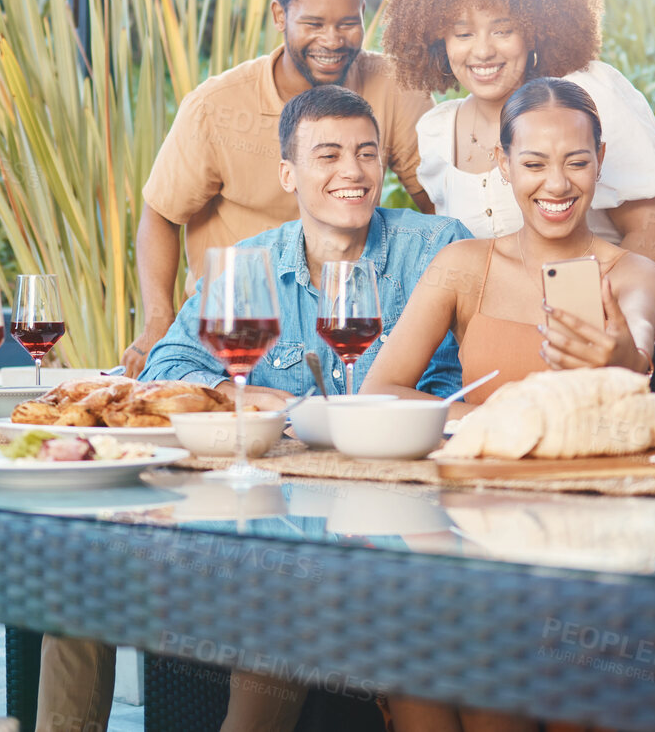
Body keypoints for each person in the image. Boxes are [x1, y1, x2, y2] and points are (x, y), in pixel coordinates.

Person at [42, 85, 466, 732]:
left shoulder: (434, 247)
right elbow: (167, 367)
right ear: (287, 174)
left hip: (395, 524)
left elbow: (466, 385)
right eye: (327, 155)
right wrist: (253, 396)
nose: (351, 171)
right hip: (262, 519)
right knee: (81, 566)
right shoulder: (249, 264)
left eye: (365, 153)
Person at [124, 0, 434, 376]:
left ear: (364, 12)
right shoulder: (216, 107)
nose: (332, 40)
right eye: (313, 23)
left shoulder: (395, 88)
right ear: (278, 16)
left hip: (355, 324)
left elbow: (437, 203)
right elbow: (161, 215)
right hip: (246, 334)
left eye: (348, 23)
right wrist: (157, 318)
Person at [380, 0, 655, 346]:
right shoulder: (438, 132)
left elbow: (652, 230)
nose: (482, 52)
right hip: (510, 350)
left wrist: (594, 326)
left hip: (624, 335)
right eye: (462, 34)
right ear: (438, 41)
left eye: (502, 29)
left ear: (536, 29)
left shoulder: (587, 95)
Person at [363, 78, 655, 415]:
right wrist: (503, 421)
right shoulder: (462, 265)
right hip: (482, 465)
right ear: (504, 163)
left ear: (600, 158)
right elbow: (380, 391)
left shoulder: (636, 273)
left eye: (577, 163)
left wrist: (629, 361)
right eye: (534, 164)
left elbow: (638, 342)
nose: (557, 184)